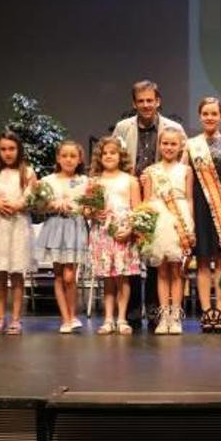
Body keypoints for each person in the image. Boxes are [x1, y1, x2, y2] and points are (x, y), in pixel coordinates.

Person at [113, 79, 184, 329]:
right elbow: (113, 156)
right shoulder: (123, 128)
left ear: (158, 101)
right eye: (141, 101)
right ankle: (131, 315)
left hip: (160, 200)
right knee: (131, 254)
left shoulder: (173, 128)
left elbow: (180, 166)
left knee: (158, 255)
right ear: (134, 103)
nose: (146, 105)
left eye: (150, 100)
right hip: (129, 195)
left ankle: (157, 315)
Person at [186, 97, 221, 333]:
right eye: (205, 113)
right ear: (200, 116)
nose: (209, 117)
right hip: (199, 204)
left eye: (214, 113)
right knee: (202, 262)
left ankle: (220, 310)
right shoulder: (190, 145)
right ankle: (206, 311)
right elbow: (185, 178)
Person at [0, 131, 37, 335]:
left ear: (18, 149)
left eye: (11, 148)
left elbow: (31, 197)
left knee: (17, 273)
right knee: (0, 273)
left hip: (17, 225)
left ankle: (16, 319)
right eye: (3, 149)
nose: (7, 153)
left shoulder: (27, 172)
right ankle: (0, 317)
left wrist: (18, 204)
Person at [87, 136, 141, 335]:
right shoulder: (95, 181)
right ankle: (108, 318)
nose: (109, 156)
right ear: (99, 157)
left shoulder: (130, 180)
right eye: (105, 153)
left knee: (122, 277)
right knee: (107, 278)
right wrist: (92, 212)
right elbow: (86, 209)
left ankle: (122, 318)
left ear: (121, 156)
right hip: (102, 233)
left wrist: (130, 230)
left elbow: (137, 210)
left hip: (123, 233)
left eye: (113, 152)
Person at [142, 126, 194, 335]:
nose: (169, 147)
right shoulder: (151, 171)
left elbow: (189, 198)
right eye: (165, 143)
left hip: (179, 219)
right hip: (159, 218)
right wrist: (144, 226)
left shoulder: (186, 170)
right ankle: (164, 317)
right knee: (162, 269)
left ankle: (175, 316)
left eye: (173, 143)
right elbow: (146, 201)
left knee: (177, 270)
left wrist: (189, 225)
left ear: (181, 146)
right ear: (159, 145)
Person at [35, 140, 89, 334]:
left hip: (75, 227)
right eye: (64, 155)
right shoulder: (48, 180)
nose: (68, 159)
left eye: (73, 156)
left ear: (79, 159)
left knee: (70, 276)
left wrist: (79, 208)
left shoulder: (84, 181)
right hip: (56, 226)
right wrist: (53, 205)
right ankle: (65, 318)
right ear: (58, 158)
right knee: (59, 275)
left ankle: (73, 315)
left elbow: (89, 207)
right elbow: (39, 207)